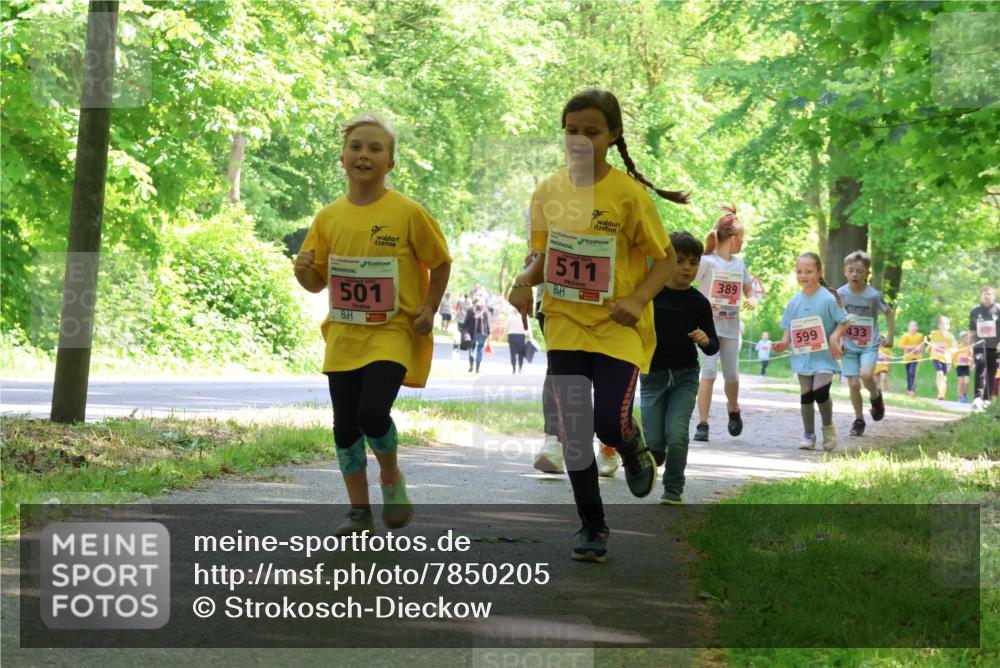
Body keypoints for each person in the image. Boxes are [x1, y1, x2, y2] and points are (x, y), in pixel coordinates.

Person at [508, 88, 684, 563]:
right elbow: (543, 259)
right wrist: (524, 283)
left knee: (608, 419)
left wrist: (636, 298)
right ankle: (593, 527)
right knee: (574, 429)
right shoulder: (547, 190)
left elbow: (665, 260)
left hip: (617, 324)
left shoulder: (628, 195)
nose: (580, 140)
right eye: (572, 131)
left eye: (592, 131)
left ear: (613, 135)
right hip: (564, 321)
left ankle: (631, 445)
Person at [294, 113, 451, 535]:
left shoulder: (407, 212)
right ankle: (358, 511)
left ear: (390, 163)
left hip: (393, 331)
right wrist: (302, 269)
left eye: (375, 148)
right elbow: (315, 283)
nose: (364, 155)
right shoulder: (327, 218)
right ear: (342, 158)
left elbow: (440, 262)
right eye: (357, 147)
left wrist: (429, 308)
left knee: (371, 412)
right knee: (344, 425)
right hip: (344, 334)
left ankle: (391, 477)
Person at [641, 232, 719, 505]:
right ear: (665, 261)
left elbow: (713, 346)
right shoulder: (650, 295)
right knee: (653, 442)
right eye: (680, 261)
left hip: (685, 377)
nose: (687, 268)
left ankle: (673, 489)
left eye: (693, 262)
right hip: (652, 376)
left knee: (677, 434)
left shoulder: (699, 302)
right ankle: (655, 453)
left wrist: (706, 339)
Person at [771, 253, 848, 451]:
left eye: (809, 271)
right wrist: (784, 342)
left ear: (819, 273)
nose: (803, 275)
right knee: (806, 396)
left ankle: (828, 428)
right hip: (803, 357)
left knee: (821, 392)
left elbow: (844, 321)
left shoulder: (827, 298)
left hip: (824, 358)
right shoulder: (795, 301)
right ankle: (808, 434)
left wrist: (834, 338)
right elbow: (789, 326)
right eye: (799, 271)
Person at [692, 205, 756, 443]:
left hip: (730, 329)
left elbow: (748, 286)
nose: (742, 242)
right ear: (733, 239)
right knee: (708, 372)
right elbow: (690, 285)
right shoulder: (707, 262)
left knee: (732, 375)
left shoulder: (739, 264)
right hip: (709, 329)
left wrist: (751, 297)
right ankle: (703, 422)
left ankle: (733, 409)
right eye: (742, 238)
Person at [836, 251, 892, 436]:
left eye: (859, 271)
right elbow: (837, 318)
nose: (855, 274)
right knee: (853, 384)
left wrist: (890, 336)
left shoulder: (873, 295)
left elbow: (888, 313)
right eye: (851, 270)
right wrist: (839, 338)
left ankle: (876, 396)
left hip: (869, 343)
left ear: (867, 273)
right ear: (845, 271)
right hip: (849, 344)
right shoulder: (840, 294)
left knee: (866, 374)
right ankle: (859, 419)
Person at [970, 285, 999, 410]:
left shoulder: (998, 310)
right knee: (980, 366)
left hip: (995, 346)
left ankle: (987, 399)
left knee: (992, 371)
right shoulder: (975, 310)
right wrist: (970, 344)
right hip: (980, 345)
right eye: (984, 294)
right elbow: (972, 330)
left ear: (994, 296)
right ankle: (978, 397)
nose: (987, 296)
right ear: (981, 296)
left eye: (989, 294)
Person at [927, 315, 958, 401]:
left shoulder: (950, 337)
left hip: (946, 359)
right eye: (941, 324)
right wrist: (928, 347)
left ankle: (942, 393)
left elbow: (955, 349)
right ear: (939, 325)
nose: (943, 326)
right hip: (936, 357)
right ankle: (940, 392)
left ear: (948, 326)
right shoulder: (935, 334)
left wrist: (951, 361)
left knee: (943, 377)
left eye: (945, 324)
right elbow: (930, 342)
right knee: (939, 373)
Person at [463, 298, 491, 374]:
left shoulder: (470, 310)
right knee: (480, 349)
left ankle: (471, 366)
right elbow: (488, 323)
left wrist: (464, 331)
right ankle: (477, 369)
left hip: (472, 333)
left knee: (471, 349)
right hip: (482, 333)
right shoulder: (485, 310)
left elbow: (466, 323)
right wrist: (488, 333)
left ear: (473, 302)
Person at [899, 320, 925, 397]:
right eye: (911, 326)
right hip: (907, 358)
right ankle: (909, 389)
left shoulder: (920, 336)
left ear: (917, 327)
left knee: (912, 372)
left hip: (916, 358)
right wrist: (912, 347)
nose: (913, 327)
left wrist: (919, 349)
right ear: (908, 327)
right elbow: (901, 346)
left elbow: (922, 346)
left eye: (914, 326)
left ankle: (912, 390)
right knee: (908, 374)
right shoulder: (905, 336)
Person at [506, 308, 528, 373]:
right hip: (521, 336)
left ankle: (514, 369)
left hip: (511, 335)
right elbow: (527, 328)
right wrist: (530, 337)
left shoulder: (510, 317)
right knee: (521, 353)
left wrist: (505, 336)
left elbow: (506, 327)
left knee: (513, 354)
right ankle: (520, 368)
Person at [954, 331, 973, 403]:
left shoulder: (969, 348)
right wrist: (954, 365)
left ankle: (964, 395)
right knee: (961, 382)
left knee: (966, 381)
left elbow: (971, 357)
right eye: (964, 338)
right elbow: (954, 356)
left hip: (966, 366)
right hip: (959, 366)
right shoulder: (958, 347)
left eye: (967, 337)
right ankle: (960, 397)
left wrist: (971, 365)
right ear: (961, 339)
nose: (966, 339)